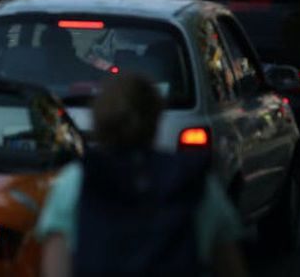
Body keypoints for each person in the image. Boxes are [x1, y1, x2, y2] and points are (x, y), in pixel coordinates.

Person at [36, 74, 247, 277]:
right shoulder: (195, 183)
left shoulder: (74, 183)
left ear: (100, 120)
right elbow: (230, 266)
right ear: (155, 119)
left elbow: (56, 267)